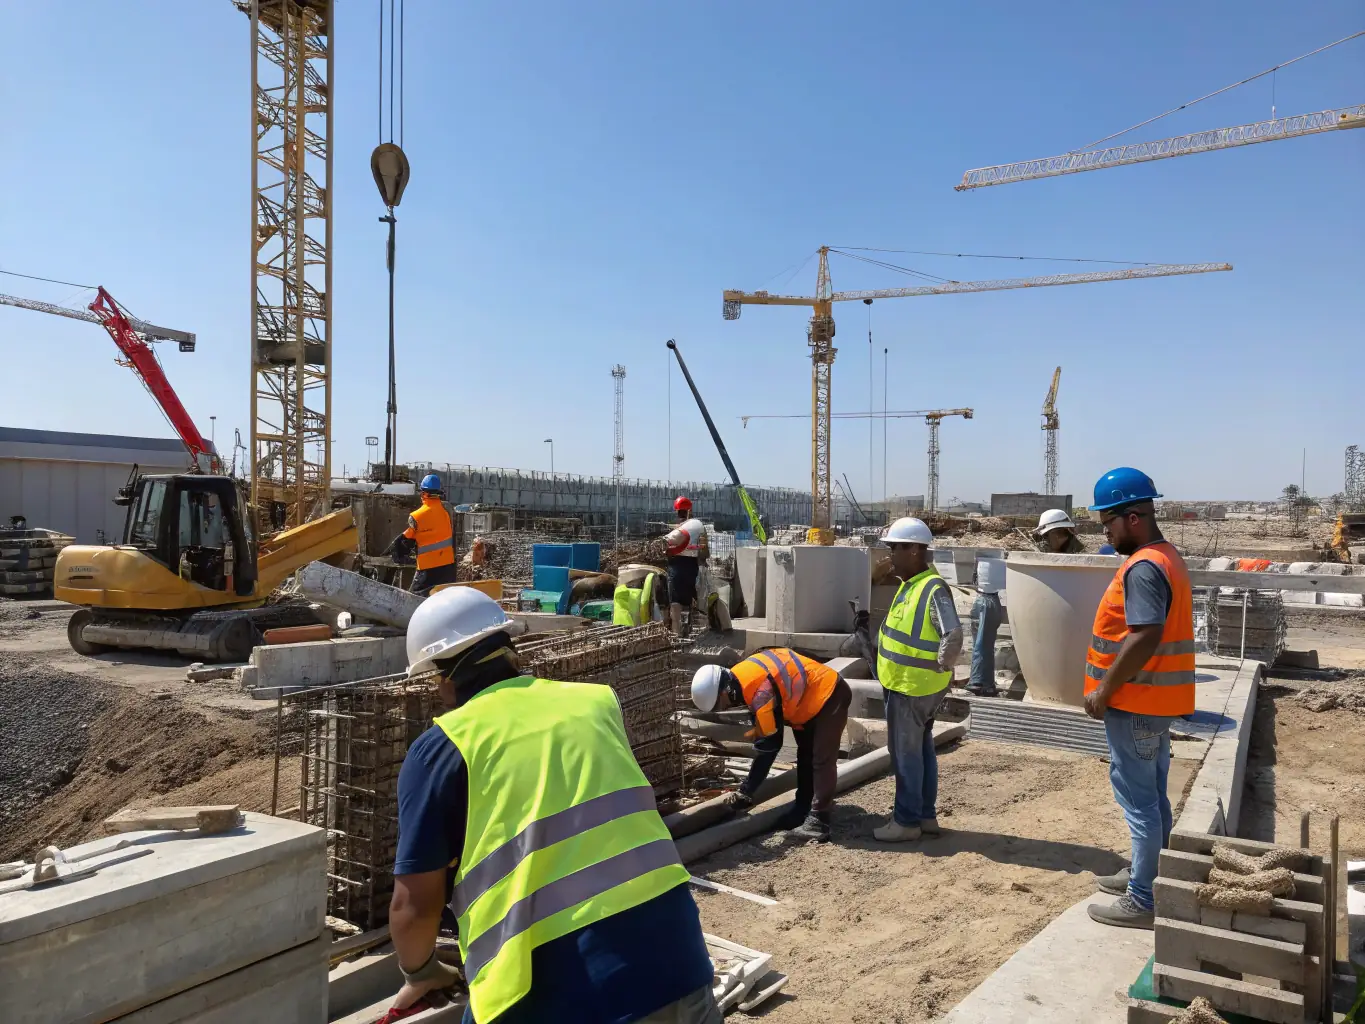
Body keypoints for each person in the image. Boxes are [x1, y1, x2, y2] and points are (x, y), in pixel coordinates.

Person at [387, 588, 720, 1024]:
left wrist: (420, 970)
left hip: (549, 997)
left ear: (441, 678)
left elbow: (413, 909)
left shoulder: (443, 749)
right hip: (679, 965)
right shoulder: (596, 703)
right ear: (509, 647)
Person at [1082, 468, 1195, 931]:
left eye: (1107, 522)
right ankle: (1151, 874)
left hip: (1135, 702)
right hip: (1155, 701)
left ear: (1134, 517)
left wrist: (1105, 690)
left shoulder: (1145, 566)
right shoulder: (1165, 556)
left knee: (1139, 802)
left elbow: (1145, 636)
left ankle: (1143, 898)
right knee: (1153, 797)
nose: (1104, 532)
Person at [690, 649, 852, 842]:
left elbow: (770, 745)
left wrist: (747, 791)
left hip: (829, 694)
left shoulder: (760, 691)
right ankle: (802, 810)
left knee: (821, 760)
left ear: (725, 691)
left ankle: (819, 821)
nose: (725, 708)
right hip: (807, 703)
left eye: (721, 704)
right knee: (805, 758)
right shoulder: (742, 674)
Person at [871, 517, 963, 842]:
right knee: (921, 751)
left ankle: (907, 820)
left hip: (912, 687)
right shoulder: (911, 585)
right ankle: (925, 816)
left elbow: (952, 635)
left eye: (895, 548)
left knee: (905, 754)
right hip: (909, 685)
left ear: (914, 550)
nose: (891, 554)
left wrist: (941, 665)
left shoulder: (932, 587)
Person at [391, 474, 457, 597]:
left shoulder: (416, 516)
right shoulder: (446, 513)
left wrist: (398, 550)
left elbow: (408, 540)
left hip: (428, 571)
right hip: (448, 570)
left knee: (415, 603)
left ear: (423, 493)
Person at [663, 496, 707, 636]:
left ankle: (677, 632)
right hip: (692, 565)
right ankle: (686, 630)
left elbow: (670, 540)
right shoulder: (697, 526)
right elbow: (704, 551)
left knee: (676, 599)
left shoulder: (688, 527)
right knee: (687, 599)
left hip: (678, 566)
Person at [966, 554, 1003, 697]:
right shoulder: (987, 557)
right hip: (985, 598)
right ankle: (985, 682)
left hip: (987, 600)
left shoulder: (991, 556)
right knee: (982, 643)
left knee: (982, 644)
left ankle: (979, 681)